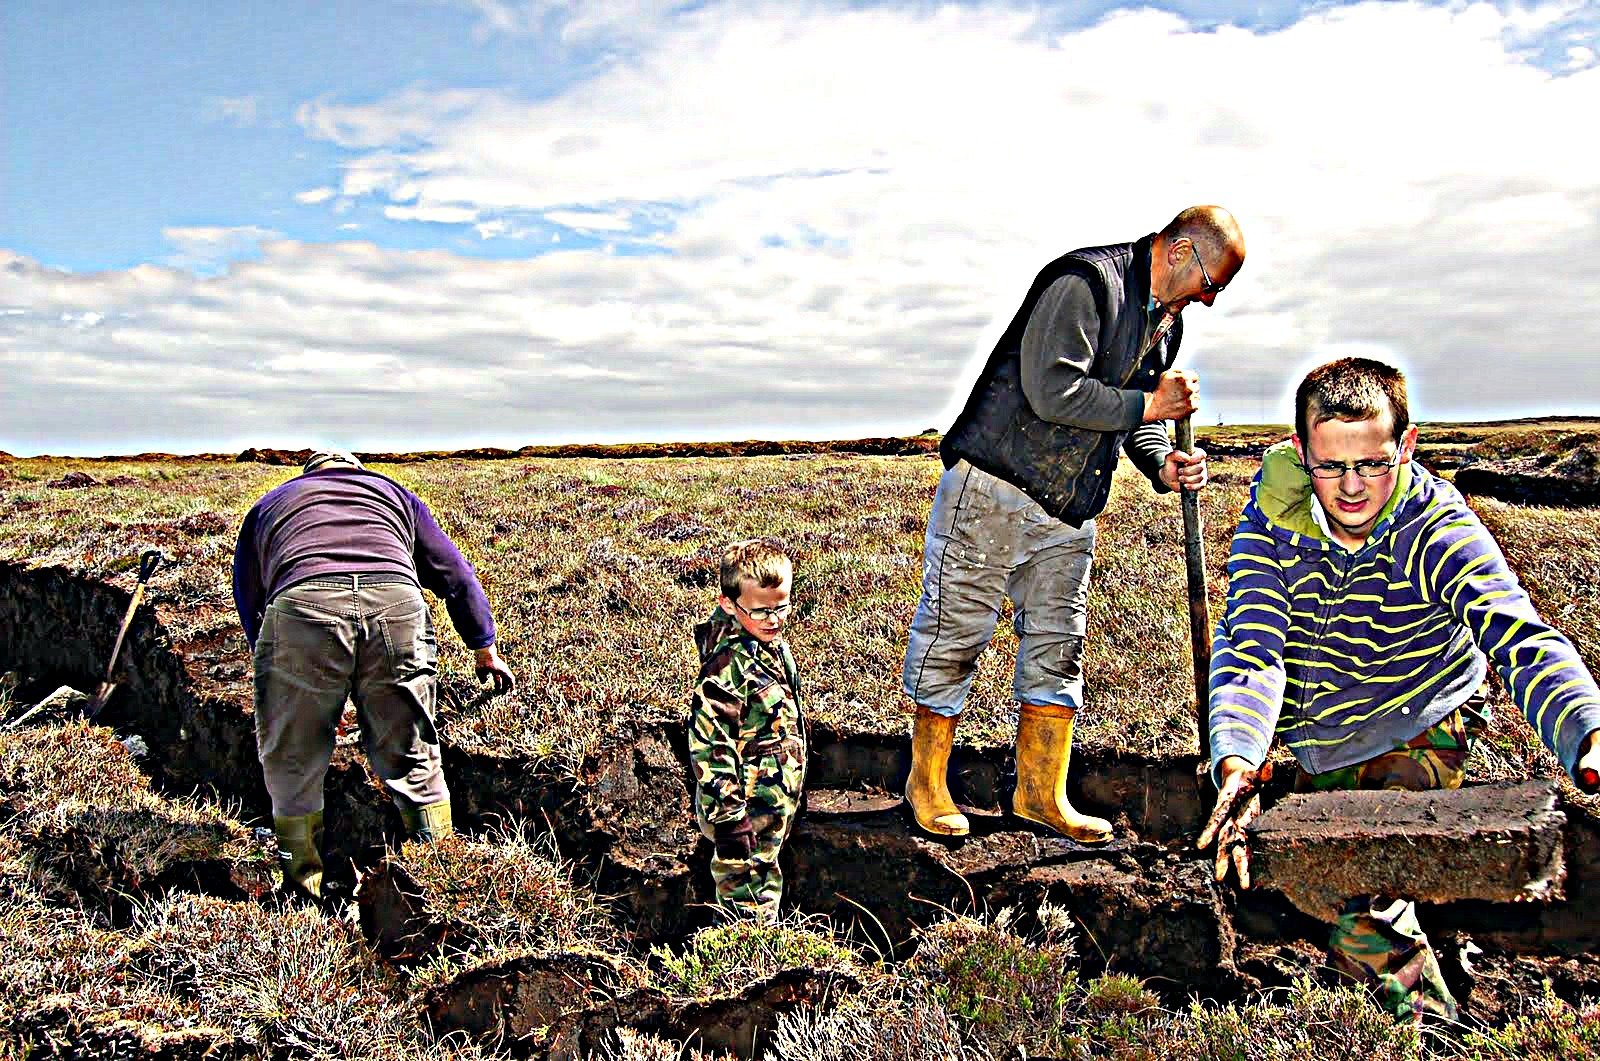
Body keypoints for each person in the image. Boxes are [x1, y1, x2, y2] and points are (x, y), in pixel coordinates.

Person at [1199, 357, 1600, 1021]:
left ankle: (1434, 1032)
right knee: (1323, 889)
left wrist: (1586, 728)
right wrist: (1238, 758)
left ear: (1407, 446)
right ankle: (1437, 945)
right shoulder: (1270, 522)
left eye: (1373, 463)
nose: (1351, 487)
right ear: (1301, 451)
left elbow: (1519, 637)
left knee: (1365, 915)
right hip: (1322, 734)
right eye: (1330, 466)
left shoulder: (1436, 526)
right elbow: (1253, 647)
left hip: (1421, 716)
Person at [903, 205, 1246, 840]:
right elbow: (1051, 391)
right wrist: (1152, 400)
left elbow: (1129, 420)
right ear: (1179, 251)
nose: (1207, 301)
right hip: (995, 488)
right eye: (1212, 283)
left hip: (1070, 508)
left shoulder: (1162, 327)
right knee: (956, 633)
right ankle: (927, 782)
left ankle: (1040, 793)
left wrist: (1161, 465)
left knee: (1059, 646)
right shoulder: (1086, 285)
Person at [232, 450, 515, 898]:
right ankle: (438, 877)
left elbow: (250, 598)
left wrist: (285, 671)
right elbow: (455, 574)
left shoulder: (271, 503)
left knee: (293, 759)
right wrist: (485, 649)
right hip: (396, 604)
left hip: (302, 607)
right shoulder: (392, 492)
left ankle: (302, 888)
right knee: (413, 753)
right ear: (356, 472)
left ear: (309, 476)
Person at [687, 538, 807, 920]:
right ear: (729, 604)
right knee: (748, 899)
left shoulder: (768, 647)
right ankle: (749, 959)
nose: (773, 620)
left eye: (782, 607)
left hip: (772, 801)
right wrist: (729, 818)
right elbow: (709, 747)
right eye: (760, 611)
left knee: (763, 876)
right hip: (744, 811)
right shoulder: (725, 669)